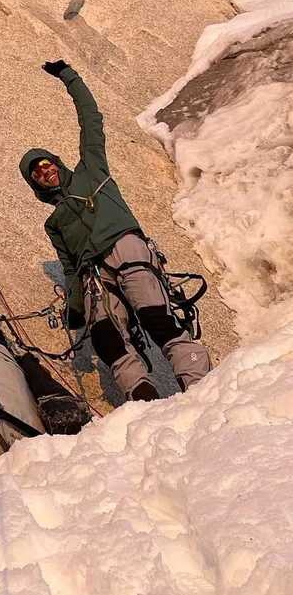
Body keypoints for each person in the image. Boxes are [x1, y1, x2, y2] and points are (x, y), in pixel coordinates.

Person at [21, 60, 211, 402]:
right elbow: (68, 267)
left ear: (57, 164)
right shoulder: (54, 223)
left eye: (47, 164)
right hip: (92, 272)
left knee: (155, 315)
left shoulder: (91, 170)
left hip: (126, 247)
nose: (44, 171)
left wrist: (69, 76)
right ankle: (141, 395)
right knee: (106, 337)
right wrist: (75, 305)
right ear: (35, 185)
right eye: (36, 173)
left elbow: (90, 119)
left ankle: (199, 381)